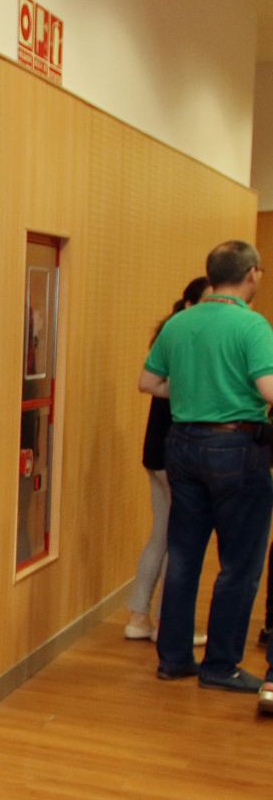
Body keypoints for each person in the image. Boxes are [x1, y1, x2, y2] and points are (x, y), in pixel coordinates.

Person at [140, 240, 273, 695]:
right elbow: (268, 389)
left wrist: (191, 393)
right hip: (236, 448)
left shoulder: (180, 322)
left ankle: (173, 658)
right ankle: (220, 665)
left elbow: (148, 381)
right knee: (239, 563)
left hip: (182, 446)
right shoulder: (252, 325)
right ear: (252, 273)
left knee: (184, 555)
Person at [125, 277, 209, 642]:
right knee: (180, 538)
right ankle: (167, 624)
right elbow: (152, 385)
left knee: (161, 534)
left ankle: (139, 617)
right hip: (172, 455)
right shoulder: (185, 339)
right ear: (189, 305)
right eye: (207, 302)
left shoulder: (170, 336)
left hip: (156, 453)